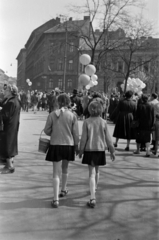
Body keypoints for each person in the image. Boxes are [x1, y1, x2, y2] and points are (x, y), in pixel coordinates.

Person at [44, 93, 79, 208]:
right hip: (68, 144)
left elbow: (46, 130)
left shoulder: (52, 114)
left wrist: (53, 132)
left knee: (55, 171)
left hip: (55, 144)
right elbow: (75, 133)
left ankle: (55, 199)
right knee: (65, 168)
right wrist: (77, 145)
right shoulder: (73, 115)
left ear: (58, 102)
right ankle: (63, 189)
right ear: (69, 102)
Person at [79, 100, 115, 208]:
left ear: (90, 109)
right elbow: (108, 138)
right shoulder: (103, 122)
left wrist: (81, 150)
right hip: (100, 149)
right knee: (97, 170)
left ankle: (92, 197)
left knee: (91, 173)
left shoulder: (87, 122)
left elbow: (84, 138)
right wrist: (112, 150)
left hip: (89, 149)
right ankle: (95, 188)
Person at [0, 84, 21, 174]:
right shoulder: (14, 100)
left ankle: (9, 167)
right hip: (13, 125)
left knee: (8, 144)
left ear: (9, 92)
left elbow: (6, 115)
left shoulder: (11, 102)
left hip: (9, 126)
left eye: (6, 90)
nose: (4, 92)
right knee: (10, 144)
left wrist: (0, 111)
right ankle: (8, 164)